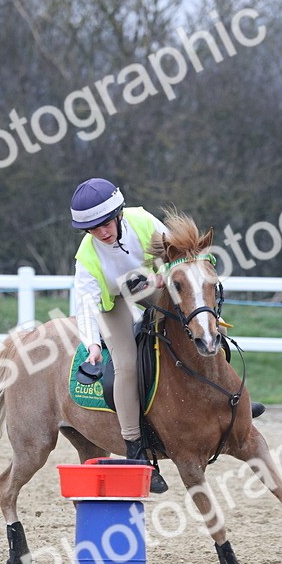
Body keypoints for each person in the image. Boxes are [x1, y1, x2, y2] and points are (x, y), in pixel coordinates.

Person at [70, 177, 169, 493]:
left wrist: (168, 274)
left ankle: (231, 397)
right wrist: (93, 344)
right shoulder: (87, 257)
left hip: (151, 284)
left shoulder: (142, 220)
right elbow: (85, 303)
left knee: (199, 316)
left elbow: (173, 250)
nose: (101, 232)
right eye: (93, 228)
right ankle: (136, 448)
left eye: (105, 223)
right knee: (126, 365)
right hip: (114, 305)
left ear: (119, 213)